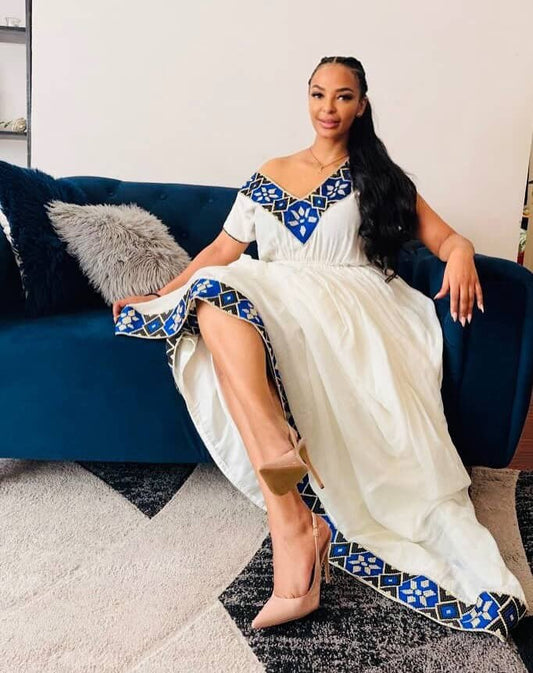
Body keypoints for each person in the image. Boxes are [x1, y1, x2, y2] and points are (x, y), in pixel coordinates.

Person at [112, 56, 529, 637]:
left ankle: (295, 523)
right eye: (317, 94)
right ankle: (290, 505)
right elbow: (219, 253)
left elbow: (446, 238)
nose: (328, 108)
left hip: (352, 307)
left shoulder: (380, 178)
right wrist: (162, 293)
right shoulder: (270, 173)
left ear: (361, 104)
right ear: (305, 99)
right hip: (275, 297)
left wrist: (460, 254)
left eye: (342, 96)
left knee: (220, 298)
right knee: (213, 294)